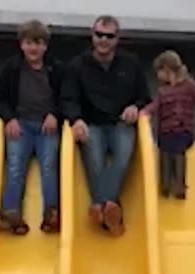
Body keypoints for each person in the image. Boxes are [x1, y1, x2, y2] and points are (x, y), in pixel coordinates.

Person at [61, 15, 151, 236]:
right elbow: (68, 99)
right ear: (92, 36)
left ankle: (100, 206)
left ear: (117, 39)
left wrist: (135, 107)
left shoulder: (131, 63)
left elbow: (144, 96)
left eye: (109, 36)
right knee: (95, 164)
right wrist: (76, 119)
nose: (103, 40)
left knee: (123, 158)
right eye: (99, 35)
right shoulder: (76, 66)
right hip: (91, 123)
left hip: (121, 123)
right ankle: (113, 212)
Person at [0, 20, 64, 234]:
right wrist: (9, 119)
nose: (33, 48)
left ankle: (52, 213)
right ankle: (11, 213)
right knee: (15, 166)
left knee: (49, 166)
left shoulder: (56, 68)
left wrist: (55, 115)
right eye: (29, 43)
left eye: (38, 43)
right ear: (21, 44)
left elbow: (66, 97)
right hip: (21, 125)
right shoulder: (12, 68)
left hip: (46, 127)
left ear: (45, 46)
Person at [141, 50, 195, 199]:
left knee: (177, 150)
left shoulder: (189, 86)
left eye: (159, 72)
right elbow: (155, 106)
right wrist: (145, 112)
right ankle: (165, 184)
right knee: (165, 152)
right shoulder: (163, 91)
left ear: (167, 69)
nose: (157, 76)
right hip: (166, 132)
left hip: (183, 130)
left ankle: (179, 185)